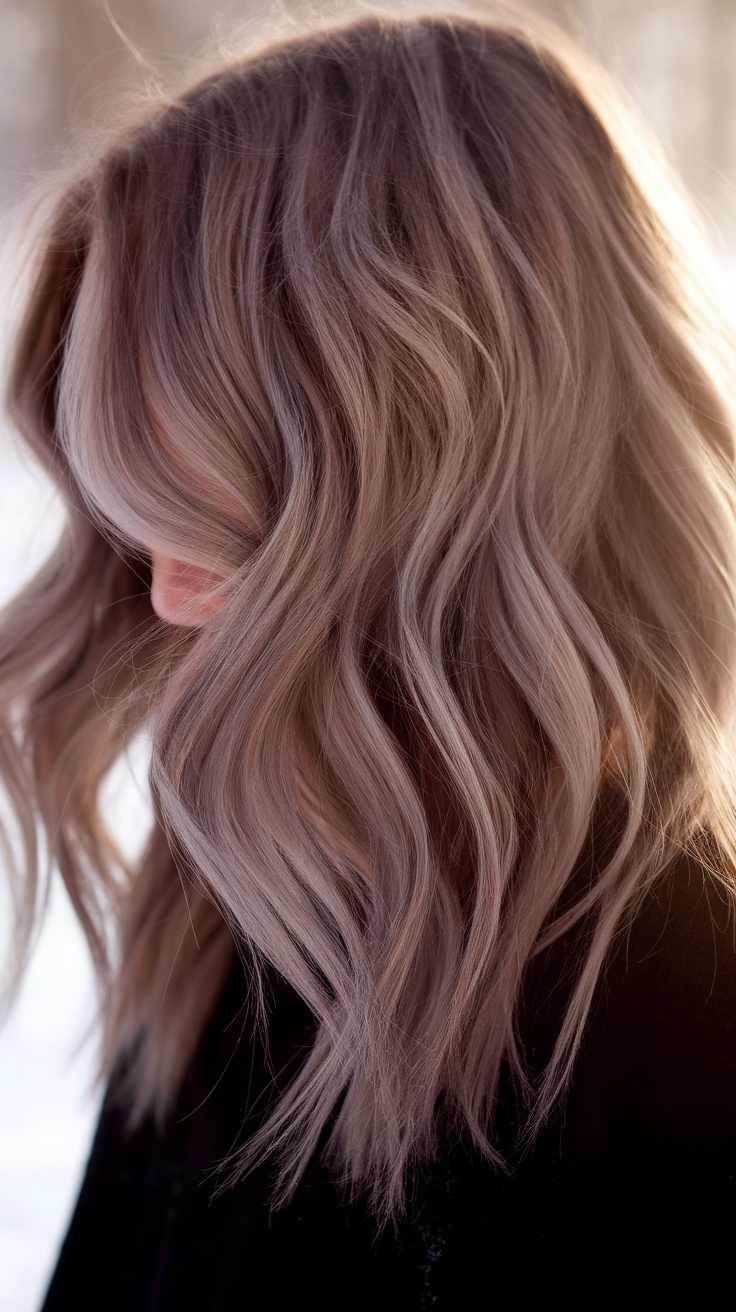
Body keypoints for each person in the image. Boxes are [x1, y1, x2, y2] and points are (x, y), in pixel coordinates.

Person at [3, 2, 736, 1305]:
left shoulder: (683, 1027)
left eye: (215, 524)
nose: (162, 600)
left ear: (431, 475)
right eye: (132, 525)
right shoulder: (229, 951)